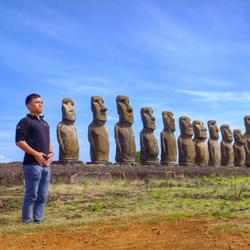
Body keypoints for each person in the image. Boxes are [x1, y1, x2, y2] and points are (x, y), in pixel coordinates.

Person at [15, 93, 53, 224]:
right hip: (32, 165)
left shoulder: (45, 123)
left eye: (42, 102)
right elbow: (19, 141)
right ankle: (26, 222)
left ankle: (38, 221)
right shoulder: (25, 121)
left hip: (46, 165)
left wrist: (51, 153)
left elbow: (48, 141)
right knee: (31, 195)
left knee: (42, 196)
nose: (41, 104)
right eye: (37, 102)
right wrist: (36, 154)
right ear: (29, 105)